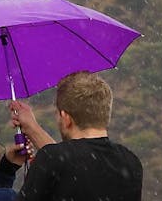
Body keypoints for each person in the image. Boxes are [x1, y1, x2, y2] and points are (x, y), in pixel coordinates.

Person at [10, 71, 143, 201]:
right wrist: (32, 129)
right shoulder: (131, 162)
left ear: (66, 118)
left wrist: (5, 170)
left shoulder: (52, 159)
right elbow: (73, 163)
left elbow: (65, 162)